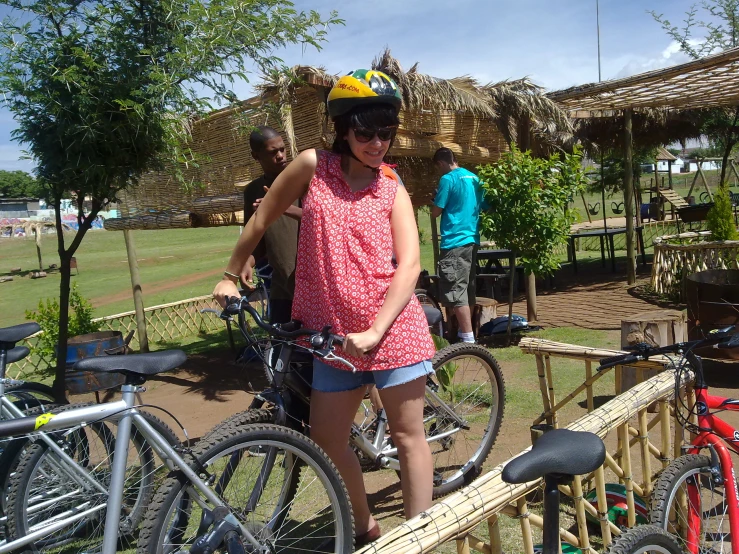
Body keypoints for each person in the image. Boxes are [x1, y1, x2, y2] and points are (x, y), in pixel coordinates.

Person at [214, 69, 436, 546]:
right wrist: (232, 274)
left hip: (392, 331)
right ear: (343, 127)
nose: (378, 142)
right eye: (366, 131)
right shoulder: (313, 166)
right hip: (330, 337)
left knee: (407, 435)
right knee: (329, 440)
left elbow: (410, 265)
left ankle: (420, 539)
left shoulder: (392, 186)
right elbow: (262, 217)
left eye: (386, 132)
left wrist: (376, 330)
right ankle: (364, 527)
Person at [241, 126, 301, 324]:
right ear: (255, 156)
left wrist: (282, 208)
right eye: (273, 152)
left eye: (283, 149)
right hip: (281, 286)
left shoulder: (304, 181)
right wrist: (248, 262)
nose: (281, 156)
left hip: (311, 284)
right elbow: (256, 236)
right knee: (283, 345)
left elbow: (325, 219)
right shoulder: (253, 191)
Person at [431, 147, 486, 344]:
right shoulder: (474, 178)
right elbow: (484, 205)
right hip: (472, 239)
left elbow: (436, 212)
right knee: (468, 289)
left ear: (441, 163)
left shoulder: (447, 180)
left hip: (454, 240)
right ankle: (466, 334)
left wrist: (434, 201)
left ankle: (468, 338)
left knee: (455, 290)